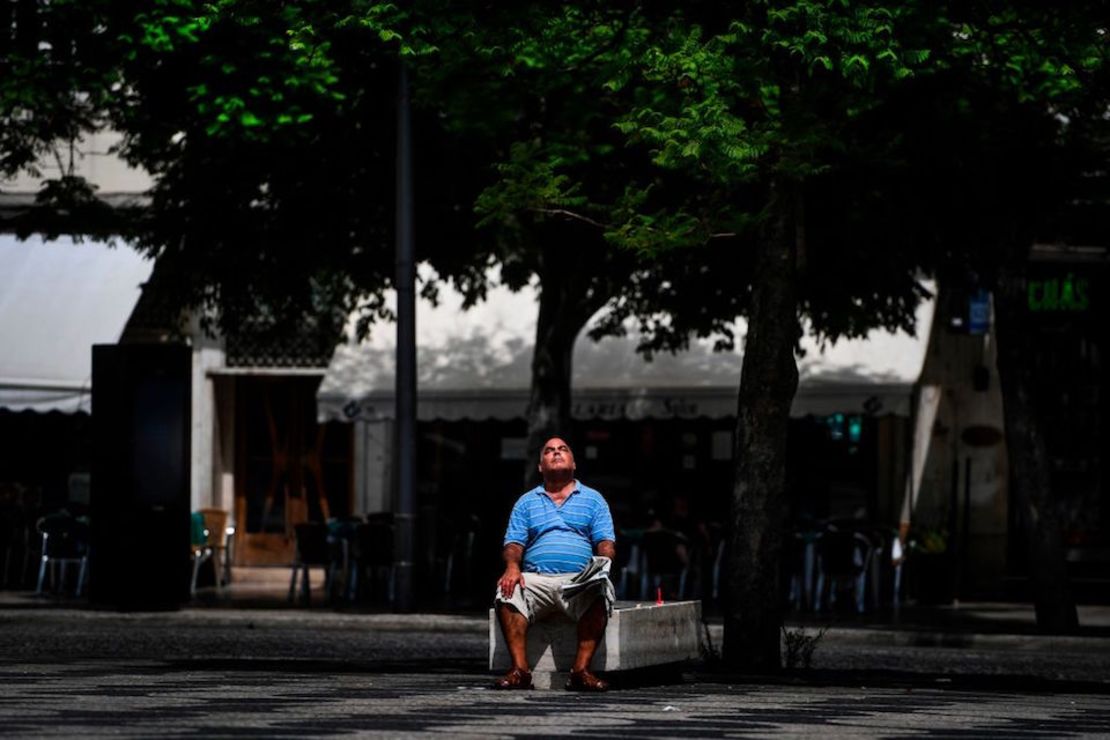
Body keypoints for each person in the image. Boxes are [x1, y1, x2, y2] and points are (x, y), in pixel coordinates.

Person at [493, 436, 616, 692]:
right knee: (507, 591)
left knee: (600, 590)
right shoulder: (526, 501)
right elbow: (514, 543)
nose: (556, 453)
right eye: (549, 451)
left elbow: (605, 541)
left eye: (562, 449)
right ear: (540, 466)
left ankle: (581, 671)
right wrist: (512, 567)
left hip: (578, 580)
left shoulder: (593, 499)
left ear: (573, 463)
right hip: (535, 578)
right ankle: (520, 671)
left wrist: (603, 564)